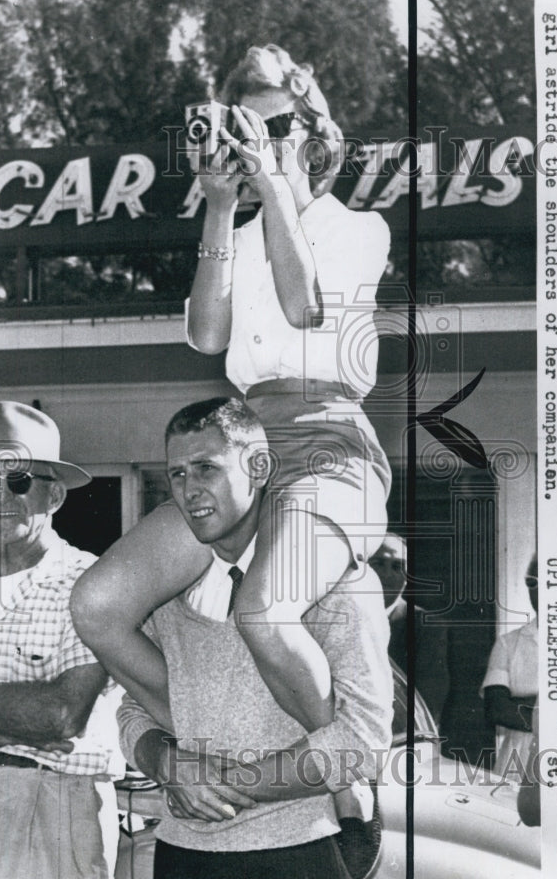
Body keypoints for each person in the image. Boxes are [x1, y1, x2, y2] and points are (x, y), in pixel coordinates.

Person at [72, 43, 391, 741]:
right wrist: (219, 205)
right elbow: (206, 337)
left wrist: (272, 184)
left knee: (264, 609)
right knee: (98, 603)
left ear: (317, 137)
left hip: (329, 443)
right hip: (245, 444)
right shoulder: (242, 235)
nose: (261, 146)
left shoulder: (357, 227)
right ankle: (201, 727)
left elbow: (305, 308)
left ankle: (340, 764)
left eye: (277, 129)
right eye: (247, 131)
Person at [116, 398, 394, 879]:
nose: (189, 490)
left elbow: (363, 741)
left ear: (259, 467)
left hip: (301, 854)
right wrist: (165, 762)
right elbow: (133, 710)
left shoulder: (337, 581)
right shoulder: (172, 590)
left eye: (206, 468)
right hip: (182, 861)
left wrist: (227, 787)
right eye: (176, 474)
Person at [0, 402, 123, 879]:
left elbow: (62, 715)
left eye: (17, 481)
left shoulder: (89, 584)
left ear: (55, 494)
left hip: (52, 807)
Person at [369, 533, 450, 725]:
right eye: (378, 563)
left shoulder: (425, 625)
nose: (387, 574)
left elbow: (429, 699)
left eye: (398, 566)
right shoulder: (341, 617)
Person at [481, 554, 538, 782]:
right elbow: (497, 709)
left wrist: (524, 705)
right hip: (519, 757)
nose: (540, 591)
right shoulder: (508, 643)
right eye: (532, 583)